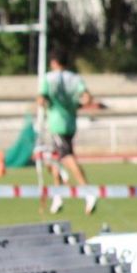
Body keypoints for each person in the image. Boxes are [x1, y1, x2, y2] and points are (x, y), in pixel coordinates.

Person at [36, 53, 105, 215]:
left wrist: (46, 106)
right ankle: (58, 196)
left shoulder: (48, 78)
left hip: (56, 123)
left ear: (53, 62)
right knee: (53, 160)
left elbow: (41, 99)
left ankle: (87, 192)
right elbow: (87, 98)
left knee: (66, 156)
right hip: (70, 123)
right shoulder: (75, 78)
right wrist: (75, 105)